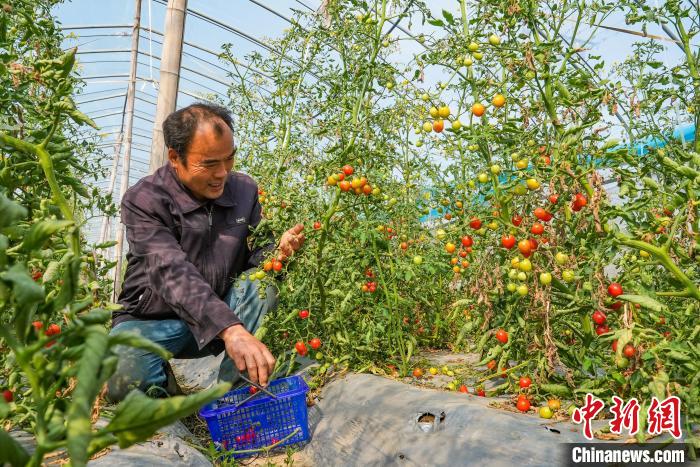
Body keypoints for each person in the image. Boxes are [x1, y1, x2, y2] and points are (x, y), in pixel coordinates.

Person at [106, 102, 304, 401]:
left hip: (221, 315)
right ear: (175, 157)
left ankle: (232, 397)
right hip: (153, 323)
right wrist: (231, 331)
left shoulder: (243, 191)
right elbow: (171, 271)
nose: (222, 173)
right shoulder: (145, 200)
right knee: (125, 375)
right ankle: (164, 386)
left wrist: (278, 253)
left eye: (229, 159)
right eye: (209, 164)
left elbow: (257, 258)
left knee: (261, 283)